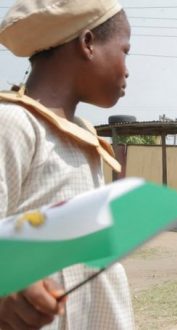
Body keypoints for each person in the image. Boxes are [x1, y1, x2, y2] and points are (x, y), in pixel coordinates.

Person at [0, 1, 134, 329]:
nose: (128, 69)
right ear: (87, 43)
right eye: (125, 51)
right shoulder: (14, 122)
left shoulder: (84, 134)